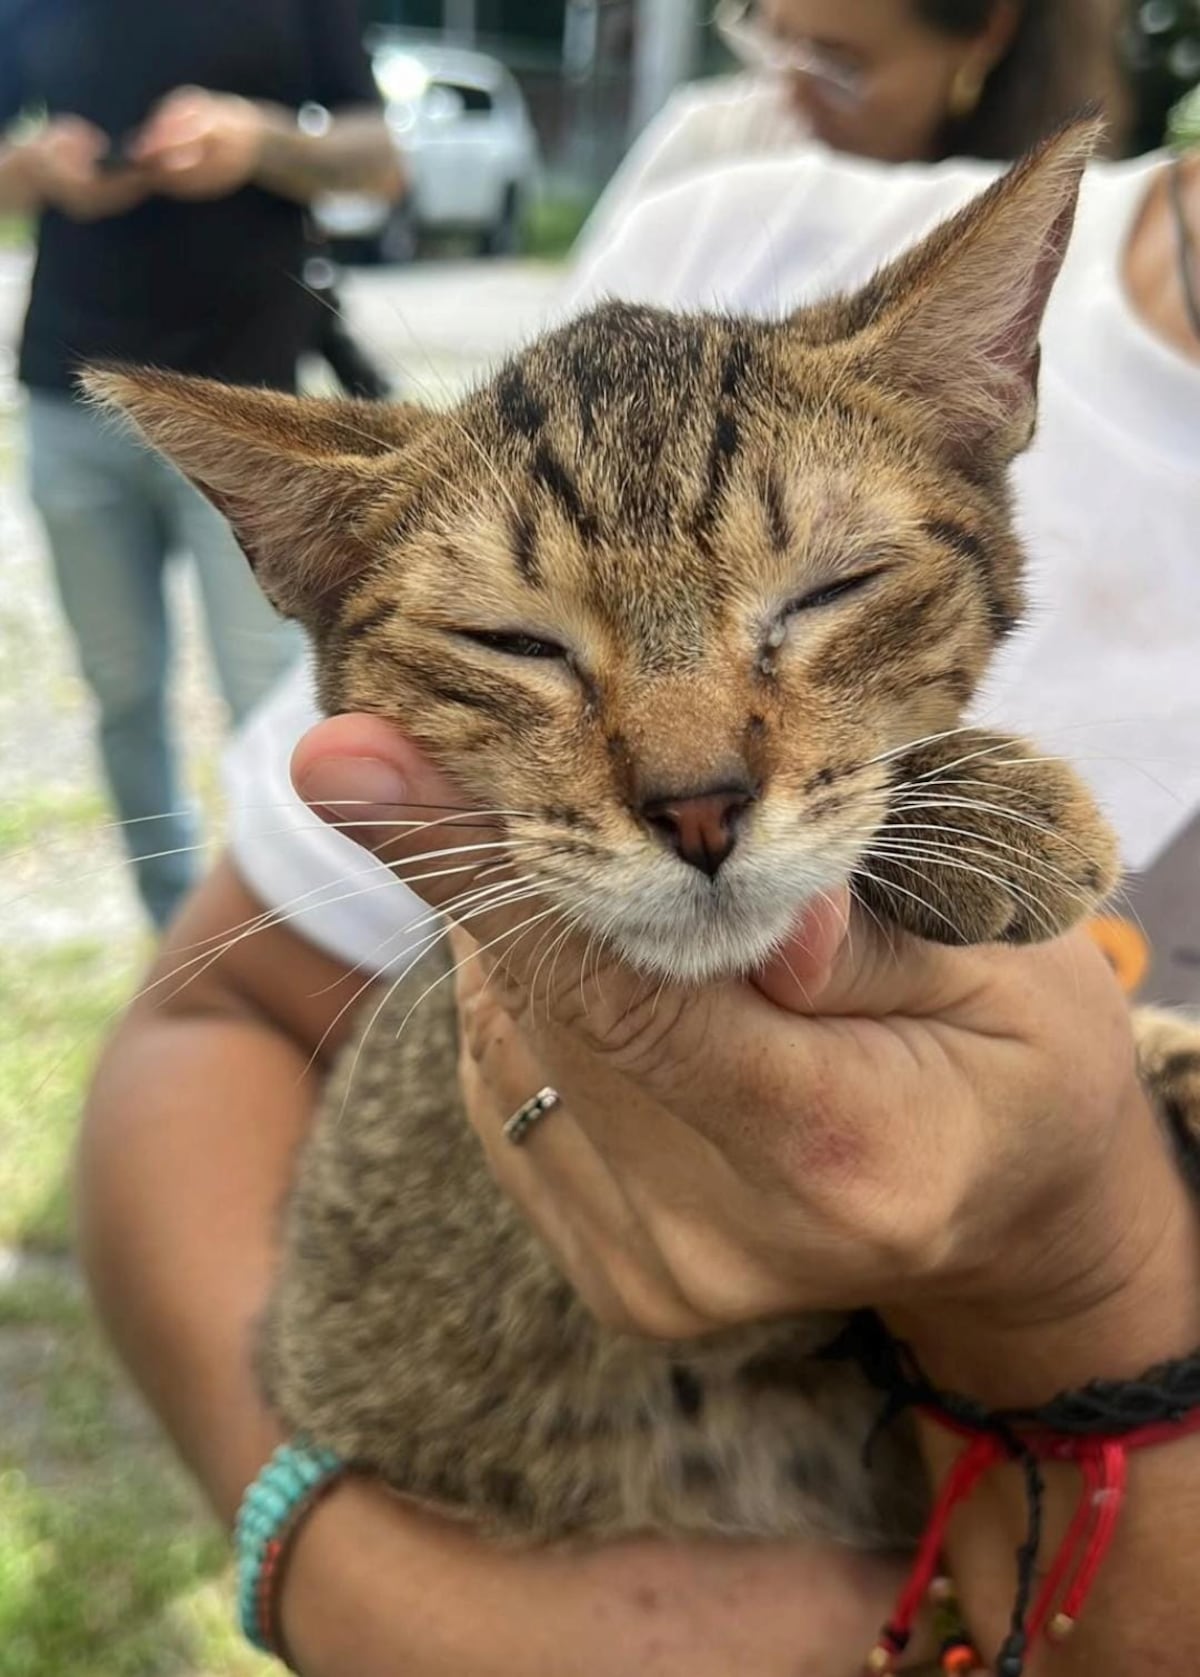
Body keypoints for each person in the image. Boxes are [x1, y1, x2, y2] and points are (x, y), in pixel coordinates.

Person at [78, 133, 1200, 1672]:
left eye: (823, 597)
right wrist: (325, 1568)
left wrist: (1084, 1247)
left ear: (981, 407)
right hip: (491, 1461)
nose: (692, 780)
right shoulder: (733, 214)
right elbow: (209, 1018)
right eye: (511, 643)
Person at [0, 0, 404, 930]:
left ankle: (307, 937)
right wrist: (33, 166)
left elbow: (379, 163)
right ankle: (175, 935)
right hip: (74, 398)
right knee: (122, 689)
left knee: (277, 703)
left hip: (249, 425)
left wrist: (259, 140)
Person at [577, 0, 1129, 263]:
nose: (788, 92)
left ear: (987, 32)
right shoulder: (713, 145)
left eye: (837, 66)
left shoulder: (1051, 228)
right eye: (773, 40)